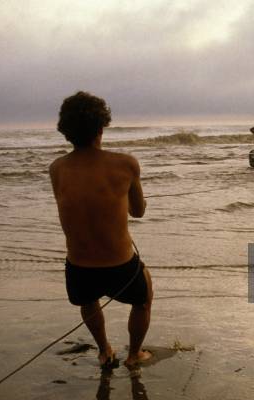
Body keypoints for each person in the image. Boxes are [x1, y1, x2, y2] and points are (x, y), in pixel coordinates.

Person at [49, 91, 153, 370]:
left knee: (89, 301)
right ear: (101, 127)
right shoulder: (125, 163)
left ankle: (105, 349)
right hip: (121, 266)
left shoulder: (57, 168)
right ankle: (134, 355)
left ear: (67, 131)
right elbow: (138, 211)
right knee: (143, 299)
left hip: (79, 267)